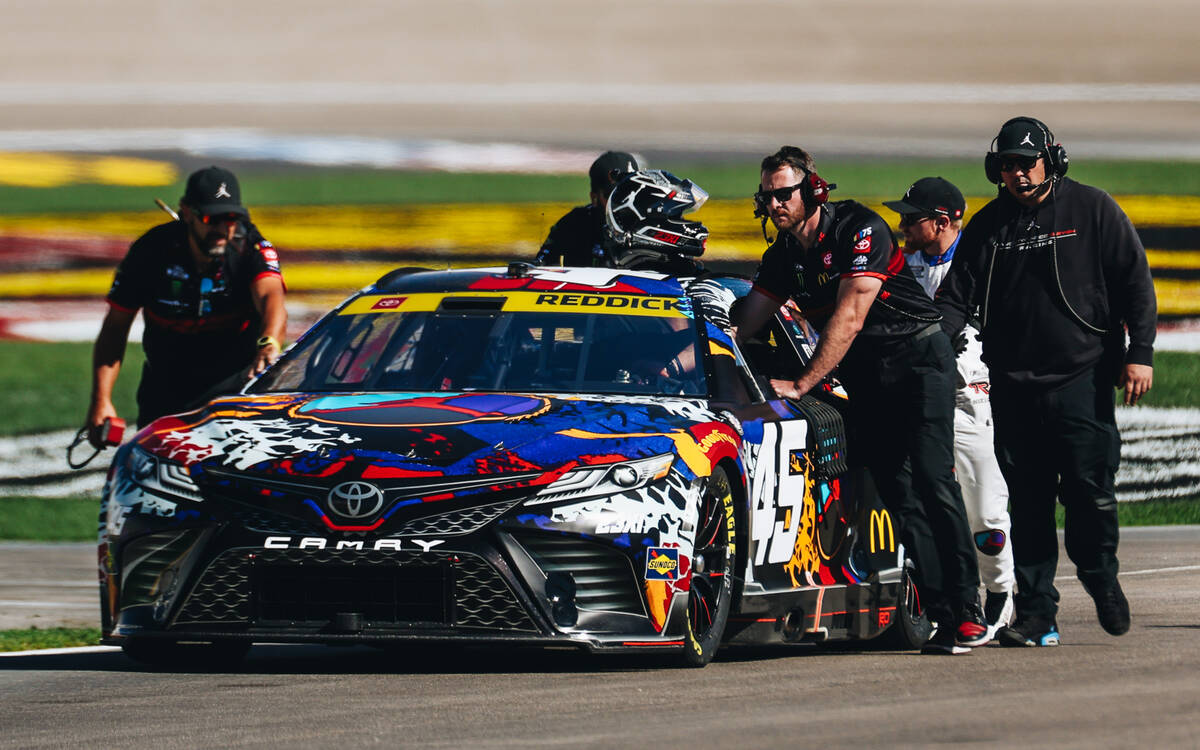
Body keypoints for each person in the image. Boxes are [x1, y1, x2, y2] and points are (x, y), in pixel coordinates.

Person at [733, 146, 987, 654]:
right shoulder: (783, 255)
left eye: (785, 193)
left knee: (935, 481)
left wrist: (802, 384)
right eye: (768, 196)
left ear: (813, 191)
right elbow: (744, 325)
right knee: (898, 494)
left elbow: (849, 317)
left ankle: (970, 608)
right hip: (867, 376)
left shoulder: (861, 229)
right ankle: (942, 614)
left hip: (920, 360)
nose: (776, 204)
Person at [937, 117, 1156, 647]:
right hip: (1013, 386)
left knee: (1088, 493)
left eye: (1026, 163)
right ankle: (1037, 615)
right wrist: (929, 350)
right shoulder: (989, 227)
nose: (1018, 174)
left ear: (1051, 161)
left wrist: (1140, 354)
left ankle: (1100, 574)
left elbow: (1135, 280)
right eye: (1008, 165)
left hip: (1081, 379)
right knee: (1029, 506)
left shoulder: (1093, 209)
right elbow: (953, 301)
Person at [883, 176, 1015, 641]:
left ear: (941, 222)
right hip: (916, 391)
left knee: (985, 510)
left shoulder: (981, 259)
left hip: (969, 397)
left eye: (910, 218)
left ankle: (1001, 593)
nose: (900, 224)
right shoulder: (901, 264)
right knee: (926, 500)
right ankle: (956, 601)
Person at [85, 166, 286, 444]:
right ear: (187, 213)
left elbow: (271, 297)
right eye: (211, 218)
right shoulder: (150, 252)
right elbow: (115, 328)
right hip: (166, 387)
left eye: (231, 218)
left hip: (235, 385)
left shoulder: (250, 247)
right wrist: (101, 401)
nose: (222, 229)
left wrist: (269, 341)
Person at [534, 150, 643, 266]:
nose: (623, 202)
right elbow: (540, 267)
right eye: (611, 195)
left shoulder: (651, 224)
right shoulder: (573, 224)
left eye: (628, 193)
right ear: (594, 198)